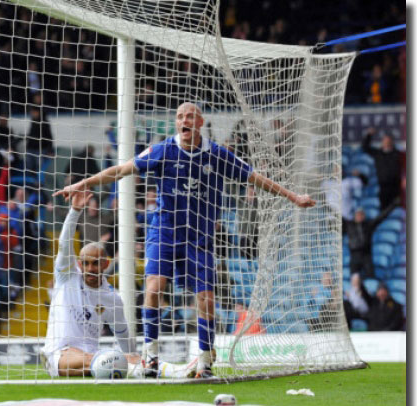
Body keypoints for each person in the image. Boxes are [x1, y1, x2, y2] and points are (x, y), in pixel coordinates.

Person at [54, 102, 315, 378]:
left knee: (206, 298)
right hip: (165, 230)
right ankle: (150, 358)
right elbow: (121, 170)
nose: (184, 120)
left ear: (200, 122)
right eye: (180, 116)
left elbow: (255, 177)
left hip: (199, 236)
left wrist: (293, 197)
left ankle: (205, 362)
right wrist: (85, 184)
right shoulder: (163, 150)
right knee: (154, 287)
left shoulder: (216, 154)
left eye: (190, 116)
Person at [41, 190, 196, 379]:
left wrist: (132, 356)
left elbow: (123, 336)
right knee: (97, 359)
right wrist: (75, 210)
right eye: (86, 263)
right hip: (59, 355)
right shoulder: (68, 278)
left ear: (105, 264)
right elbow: (65, 244)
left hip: (96, 359)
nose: (90, 268)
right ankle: (143, 370)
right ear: (79, 264)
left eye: (96, 263)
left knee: (120, 359)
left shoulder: (112, 298)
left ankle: (179, 371)